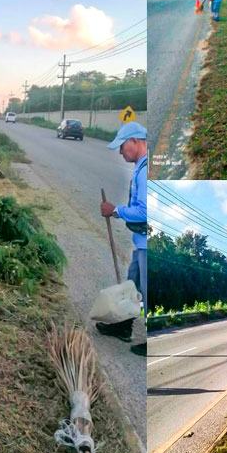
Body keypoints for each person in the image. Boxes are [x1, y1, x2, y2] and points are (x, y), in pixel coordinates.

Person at [97, 121, 148, 357]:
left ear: (134, 142)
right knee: (132, 286)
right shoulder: (141, 166)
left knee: (145, 290)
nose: (120, 152)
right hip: (141, 242)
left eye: (122, 146)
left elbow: (147, 211)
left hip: (148, 245)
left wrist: (115, 210)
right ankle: (123, 325)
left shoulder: (147, 169)